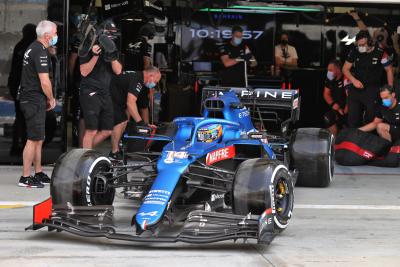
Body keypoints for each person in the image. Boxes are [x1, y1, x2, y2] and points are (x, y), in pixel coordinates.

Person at [18, 20, 57, 188]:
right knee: (33, 139)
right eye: (55, 33)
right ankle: (25, 177)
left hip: (33, 98)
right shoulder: (39, 51)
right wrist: (51, 98)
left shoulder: (36, 48)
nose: (56, 36)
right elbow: (45, 81)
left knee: (38, 138)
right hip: (33, 99)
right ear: (47, 35)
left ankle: (38, 171)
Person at [79, 21, 122, 149]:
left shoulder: (113, 47)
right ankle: (85, 158)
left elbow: (118, 71)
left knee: (107, 130)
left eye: (113, 34)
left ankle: (83, 153)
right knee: (91, 130)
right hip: (90, 91)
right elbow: (84, 71)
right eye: (109, 34)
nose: (112, 37)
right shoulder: (87, 46)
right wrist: (95, 56)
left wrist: (111, 54)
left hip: (105, 92)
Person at [342, 30, 393, 128]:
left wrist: (390, 88)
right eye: (359, 45)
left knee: (371, 119)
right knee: (353, 118)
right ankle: (353, 140)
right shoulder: (354, 51)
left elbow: (389, 70)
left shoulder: (380, 53)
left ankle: (368, 141)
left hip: (372, 89)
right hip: (356, 88)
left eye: (363, 44)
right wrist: (353, 80)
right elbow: (345, 69)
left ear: (369, 42)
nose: (360, 47)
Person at [109, 67, 161, 160]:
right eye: (156, 81)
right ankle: (114, 153)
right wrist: (140, 123)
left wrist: (144, 124)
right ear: (151, 75)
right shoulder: (137, 79)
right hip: (107, 96)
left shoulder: (137, 76)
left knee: (124, 120)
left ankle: (116, 150)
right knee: (120, 121)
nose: (154, 84)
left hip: (114, 98)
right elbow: (131, 103)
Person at [8, 23, 36, 156]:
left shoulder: (19, 46)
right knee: (26, 117)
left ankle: (16, 145)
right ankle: (25, 146)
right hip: (25, 87)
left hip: (16, 86)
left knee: (19, 116)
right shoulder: (31, 47)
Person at [125, 24, 156, 123]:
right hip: (140, 78)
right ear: (150, 35)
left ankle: (123, 132)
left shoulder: (128, 43)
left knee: (128, 105)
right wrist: (150, 82)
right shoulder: (147, 45)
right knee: (143, 106)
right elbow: (146, 65)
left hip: (127, 77)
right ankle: (146, 132)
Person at [323, 59, 350, 136]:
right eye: (328, 70)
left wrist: (345, 110)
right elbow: (326, 94)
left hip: (349, 110)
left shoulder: (346, 78)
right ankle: (335, 142)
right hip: (336, 108)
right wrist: (333, 105)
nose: (328, 72)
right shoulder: (329, 79)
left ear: (338, 70)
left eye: (331, 70)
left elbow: (350, 97)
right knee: (328, 118)